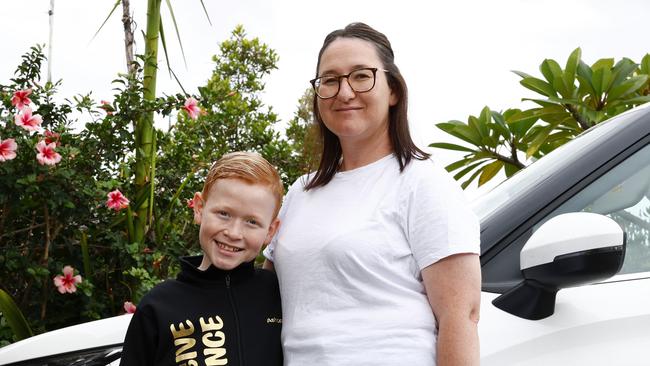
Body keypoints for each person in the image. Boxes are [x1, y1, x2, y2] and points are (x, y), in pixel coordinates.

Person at [263, 22, 481, 365]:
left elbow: (461, 316)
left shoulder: (422, 183)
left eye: (361, 76)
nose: (344, 92)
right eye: (330, 80)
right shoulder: (299, 193)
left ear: (392, 90)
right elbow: (265, 300)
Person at [120, 152, 284, 366]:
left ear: (270, 231)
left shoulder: (280, 294)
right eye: (224, 214)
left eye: (252, 222)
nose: (234, 233)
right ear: (199, 208)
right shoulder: (159, 305)